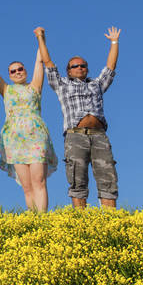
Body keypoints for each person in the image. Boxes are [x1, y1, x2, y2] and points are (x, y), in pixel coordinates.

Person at [35, 26, 121, 208]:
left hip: (99, 135)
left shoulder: (96, 84)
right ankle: (80, 222)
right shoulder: (62, 85)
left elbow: (110, 67)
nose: (80, 68)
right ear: (69, 70)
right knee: (77, 178)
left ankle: (112, 222)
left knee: (107, 177)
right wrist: (41, 37)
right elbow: (48, 62)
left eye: (83, 65)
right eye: (76, 66)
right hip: (76, 135)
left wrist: (114, 42)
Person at [0, 40, 57, 211]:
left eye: (20, 69)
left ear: (25, 71)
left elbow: (39, 61)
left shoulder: (35, 86)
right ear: (9, 75)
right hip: (14, 140)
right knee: (27, 186)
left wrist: (40, 38)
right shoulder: (6, 89)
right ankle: (33, 218)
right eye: (13, 71)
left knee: (39, 181)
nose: (17, 72)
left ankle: (42, 219)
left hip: (36, 137)